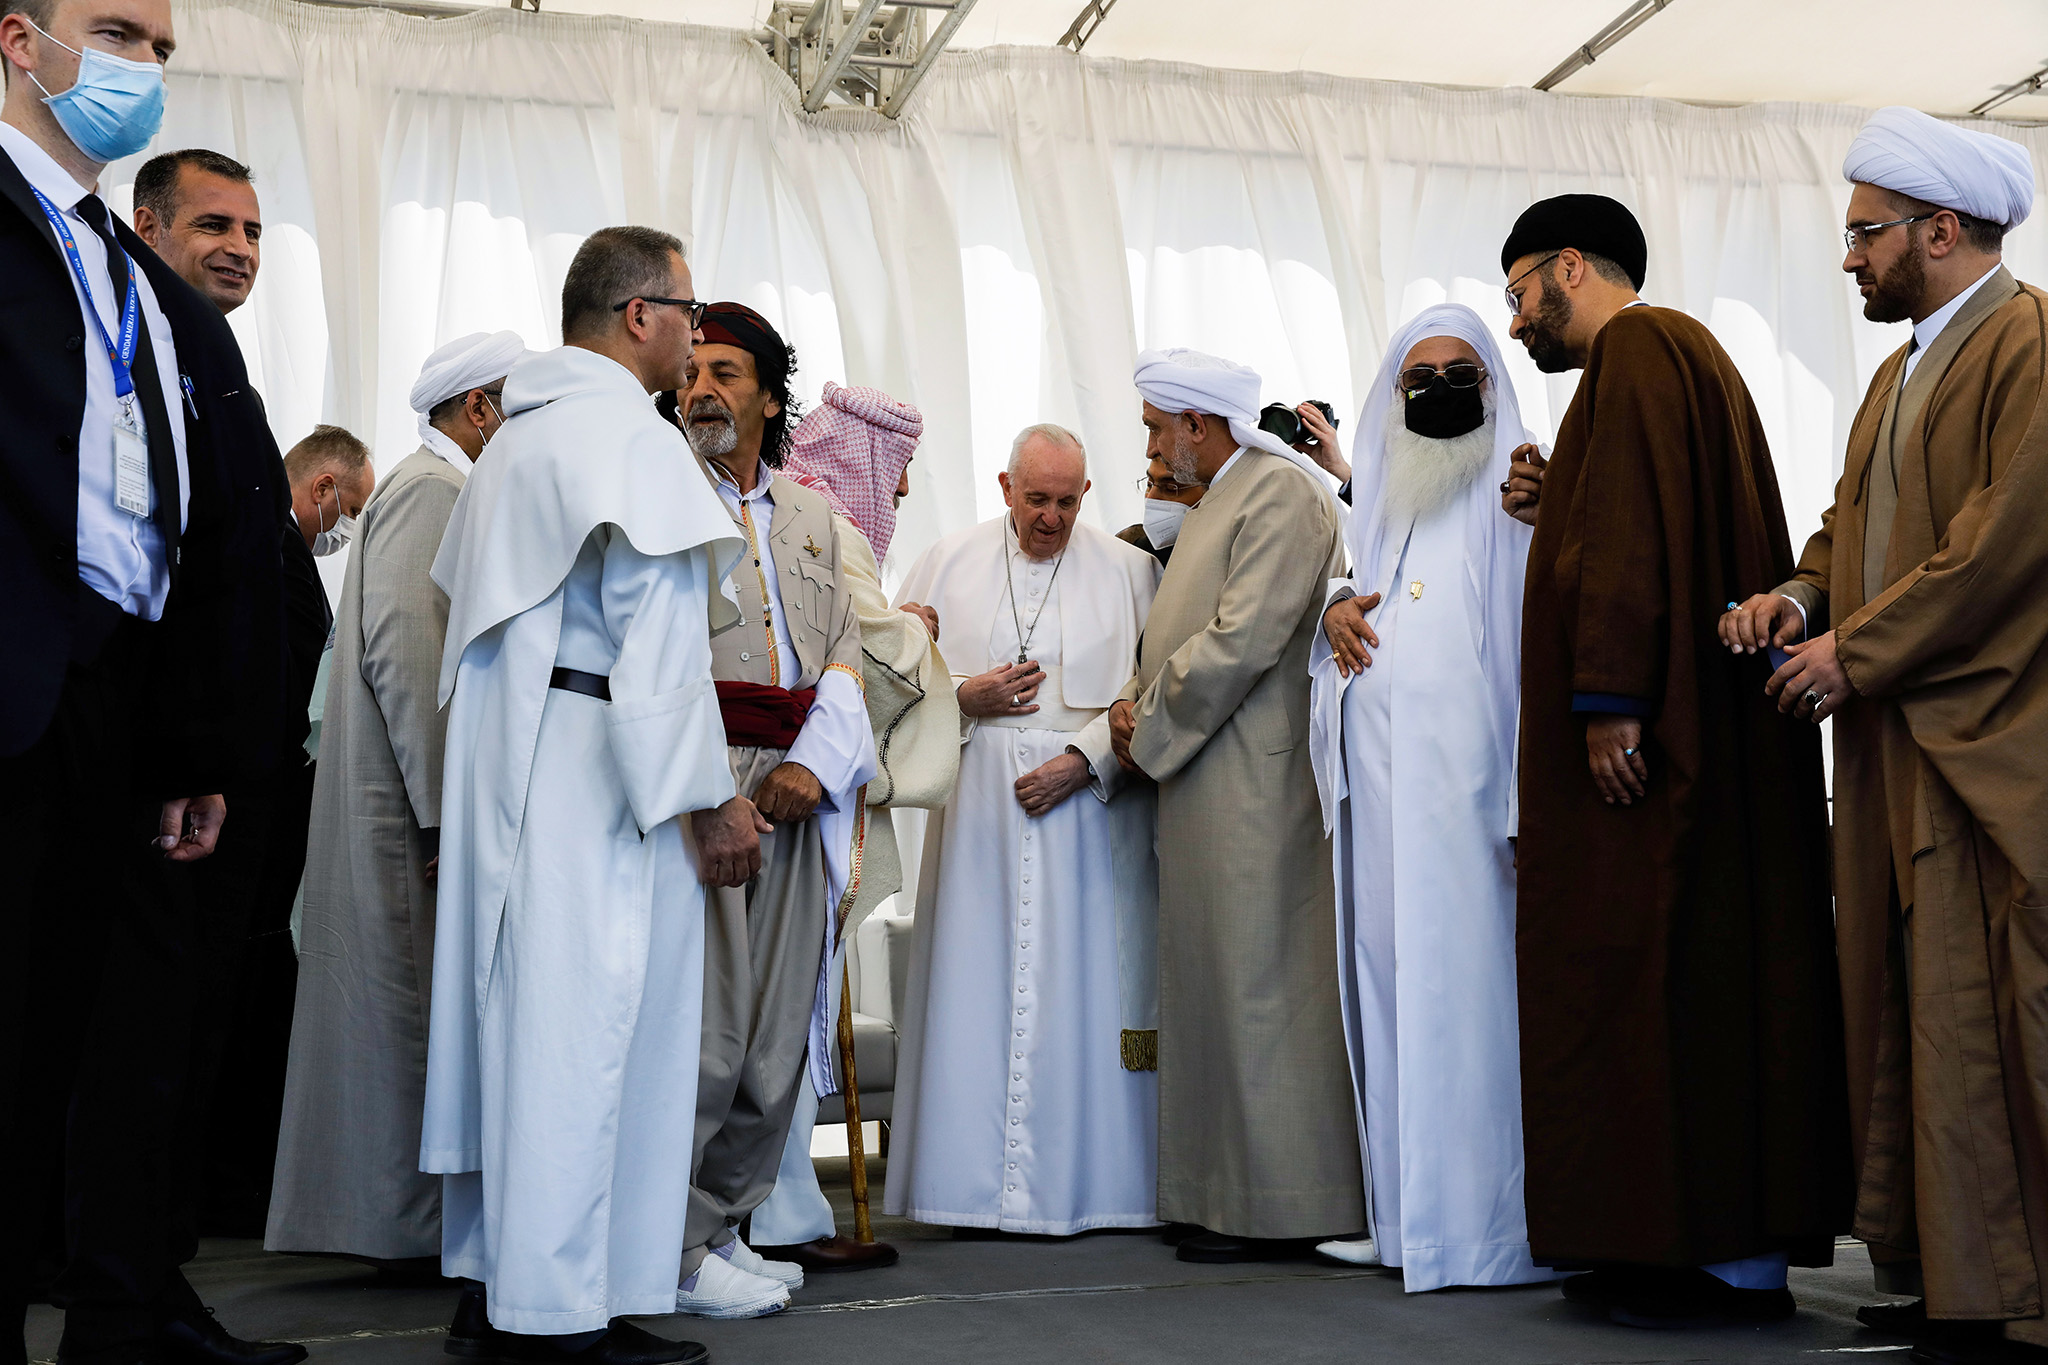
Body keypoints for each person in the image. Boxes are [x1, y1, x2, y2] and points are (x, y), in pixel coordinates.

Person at [1722, 108, 2048, 1364]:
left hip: (1985, 745)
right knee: (1908, 1011)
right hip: (1891, 756)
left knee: (1995, 1016)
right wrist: (1799, 598)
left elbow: (1998, 546)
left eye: (1863, 235)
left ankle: (2014, 1295)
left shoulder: (2023, 344)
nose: (1848, 258)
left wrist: (1851, 652)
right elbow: (1850, 522)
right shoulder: (1899, 366)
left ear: (1940, 230)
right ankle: (1943, 1278)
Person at [1, 0, 295, 1362]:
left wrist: (190, 747)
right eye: (119, 30)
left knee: (94, 1052)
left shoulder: (131, 276)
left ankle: (120, 1321)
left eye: (163, 48)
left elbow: (174, 523)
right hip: (17, 691)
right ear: (20, 39)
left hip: (124, 713)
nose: (145, 67)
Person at [1499, 193, 1850, 1327]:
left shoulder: (1642, 346)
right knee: (1698, 982)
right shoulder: (1676, 359)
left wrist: (1606, 702)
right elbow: (1633, 516)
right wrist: (1558, 503)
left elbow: (1633, 547)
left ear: (1566, 269)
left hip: (1654, 744)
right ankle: (1693, 1245)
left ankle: (1680, 1250)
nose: (1516, 326)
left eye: (1517, 295)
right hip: (1695, 731)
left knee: (1646, 981)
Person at [421, 227, 737, 1365]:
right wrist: (710, 798)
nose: (698, 337)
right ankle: (559, 1316)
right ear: (638, 314)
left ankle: (498, 1278)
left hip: (519, 759)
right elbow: (657, 649)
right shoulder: (624, 440)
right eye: (690, 313)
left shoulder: (513, 442)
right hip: (602, 768)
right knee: (591, 1031)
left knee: (517, 1024)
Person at [1307, 304, 1552, 1290]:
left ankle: (1488, 1235)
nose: (1440, 392)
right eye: (1420, 378)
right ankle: (1405, 1220)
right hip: (1386, 811)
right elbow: (1351, 623)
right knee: (1391, 993)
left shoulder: (1524, 493)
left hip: (1476, 814)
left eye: (1461, 374)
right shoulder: (1386, 501)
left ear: (1491, 389)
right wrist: (1330, 622)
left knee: (1474, 1008)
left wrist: (1527, 808)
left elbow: (1540, 656)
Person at [267, 332, 523, 1276]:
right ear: (479, 410)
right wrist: (449, 819)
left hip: (407, 805)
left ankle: (409, 1227)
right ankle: (408, 1230)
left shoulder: (440, 487)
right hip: (408, 817)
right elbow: (413, 663)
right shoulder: (433, 492)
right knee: (405, 1021)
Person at [1107, 349, 1362, 1263]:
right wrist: (1136, 701)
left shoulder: (1283, 492)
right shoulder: (1224, 494)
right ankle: (1221, 1195)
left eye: (1154, 425)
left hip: (1256, 777)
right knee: (1216, 983)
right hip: (1209, 770)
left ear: (1199, 424)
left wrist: (1153, 715)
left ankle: (1282, 1206)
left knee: (1262, 988)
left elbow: (1243, 635)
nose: (1151, 443)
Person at [888, 423, 1162, 1236]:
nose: (1051, 518)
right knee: (975, 985)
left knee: (1076, 993)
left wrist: (1085, 761)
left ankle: (1087, 1190)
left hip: (1085, 817)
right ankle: (966, 1189)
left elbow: (1150, 692)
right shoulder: (945, 559)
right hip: (977, 810)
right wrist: (960, 698)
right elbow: (893, 673)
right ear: (1006, 488)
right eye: (1036, 499)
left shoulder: (1130, 570)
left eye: (1068, 503)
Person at [671, 303, 877, 1319]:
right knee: (703, 1033)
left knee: (772, 1033)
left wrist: (811, 766)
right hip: (699, 783)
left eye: (724, 372)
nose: (701, 388)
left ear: (767, 394)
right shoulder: (660, 494)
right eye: (690, 369)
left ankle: (720, 1228)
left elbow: (846, 648)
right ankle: (668, 1245)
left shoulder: (808, 513)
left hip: (797, 783)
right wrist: (714, 791)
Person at [749, 379, 958, 1275]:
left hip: (799, 788)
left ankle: (780, 1208)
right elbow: (867, 649)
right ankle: (778, 1213)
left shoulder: (802, 515)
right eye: (899, 470)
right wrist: (917, 631)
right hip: (793, 792)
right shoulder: (826, 523)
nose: (903, 491)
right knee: (783, 1014)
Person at [132, 148, 259, 313]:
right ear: (149, 230)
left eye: (250, 234)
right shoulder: (99, 328)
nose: (243, 251)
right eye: (214, 226)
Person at [1115, 454, 1205, 567]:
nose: (1150, 497)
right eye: (1149, 484)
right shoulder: (1140, 556)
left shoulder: (1227, 553)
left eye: (1170, 488)